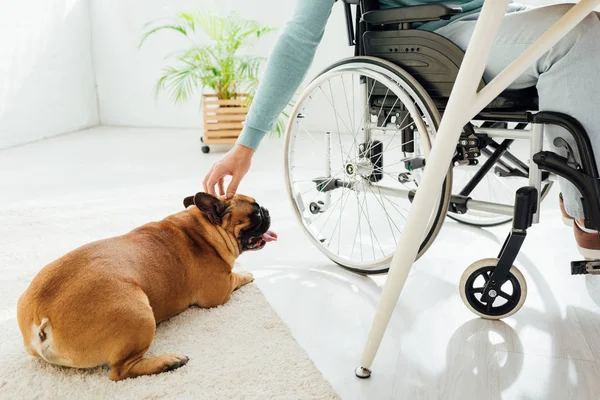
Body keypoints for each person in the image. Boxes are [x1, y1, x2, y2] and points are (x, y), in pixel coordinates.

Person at [203, 0, 600, 258]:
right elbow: (299, 37)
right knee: (580, 33)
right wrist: (246, 144)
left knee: (586, 21)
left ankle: (583, 189)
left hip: (496, 15)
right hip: (433, 37)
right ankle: (588, 208)